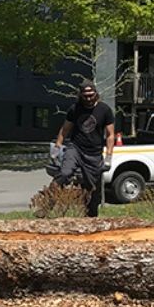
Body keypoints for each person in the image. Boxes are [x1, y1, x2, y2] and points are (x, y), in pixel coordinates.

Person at [53, 80, 115, 217]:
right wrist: (57, 148)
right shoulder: (75, 109)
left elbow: (110, 135)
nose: (88, 99)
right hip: (75, 148)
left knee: (92, 189)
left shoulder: (104, 110)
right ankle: (48, 200)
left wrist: (109, 157)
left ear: (95, 94)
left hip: (94, 153)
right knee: (65, 173)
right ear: (80, 95)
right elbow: (64, 130)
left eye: (91, 95)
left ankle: (91, 217)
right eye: (85, 96)